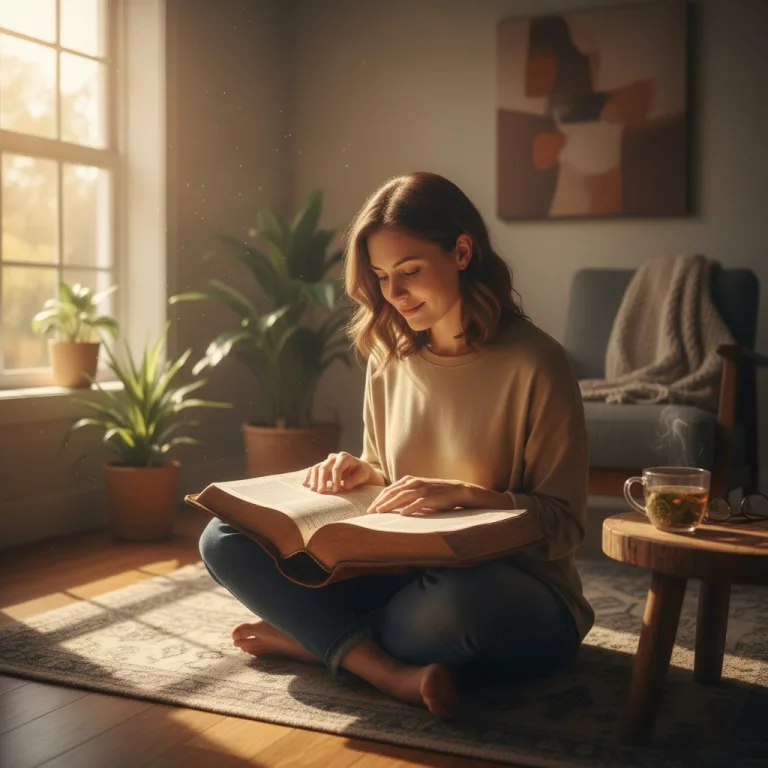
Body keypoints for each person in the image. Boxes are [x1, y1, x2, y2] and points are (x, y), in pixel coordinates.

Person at [199, 171, 594, 718]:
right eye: (383, 277)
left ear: (461, 252)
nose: (395, 294)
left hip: (508, 594)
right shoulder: (390, 355)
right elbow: (389, 473)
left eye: (409, 271)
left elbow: (565, 524)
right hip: (400, 580)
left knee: (454, 607)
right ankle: (379, 666)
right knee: (223, 538)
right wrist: (360, 471)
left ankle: (320, 640)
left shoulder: (536, 362)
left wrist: (471, 496)